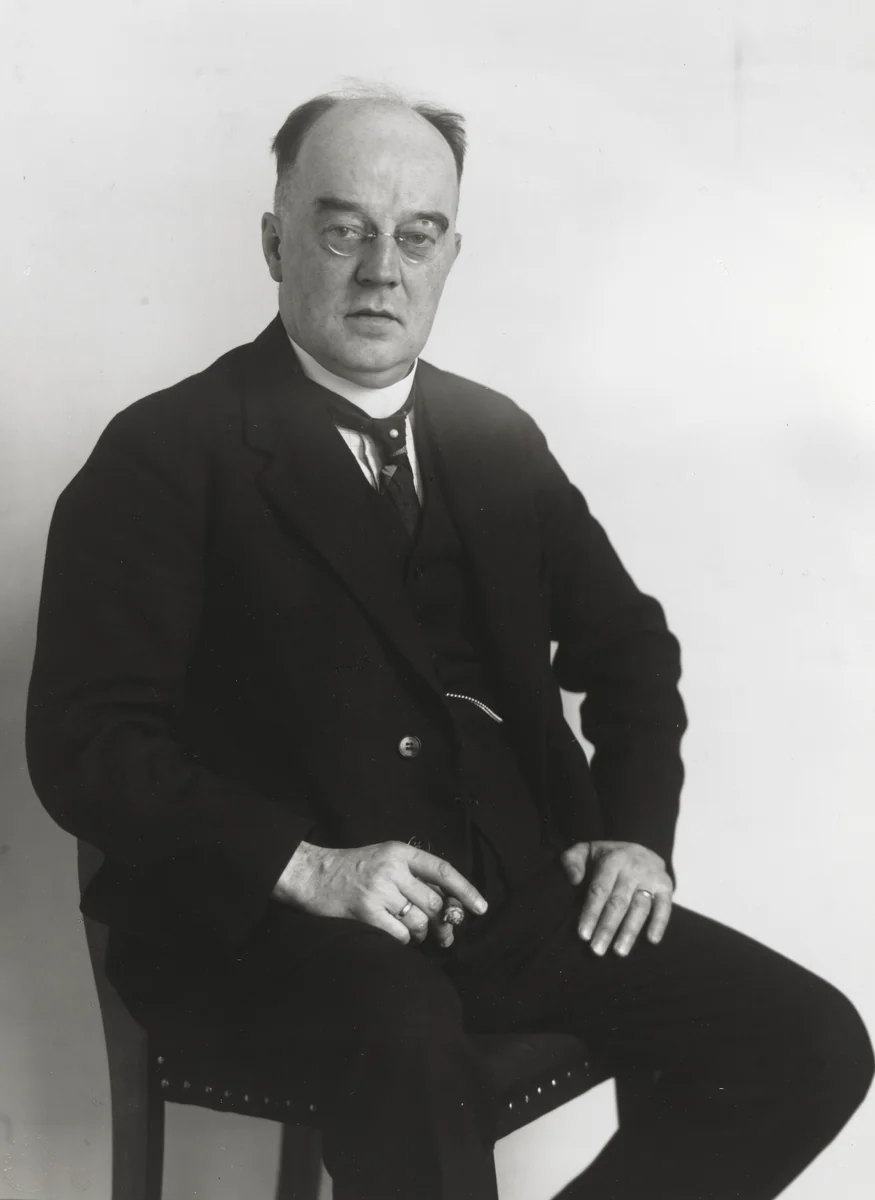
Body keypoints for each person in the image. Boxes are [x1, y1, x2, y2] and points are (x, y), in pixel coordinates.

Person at [26, 88, 872, 1200]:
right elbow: (84, 744)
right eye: (343, 229)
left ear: (450, 253)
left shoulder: (493, 438)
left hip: (500, 912)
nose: (382, 267)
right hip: (261, 934)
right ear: (274, 240)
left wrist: (631, 836)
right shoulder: (162, 452)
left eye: (415, 234)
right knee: (406, 1037)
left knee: (804, 1044)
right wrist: (305, 866)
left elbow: (629, 648)